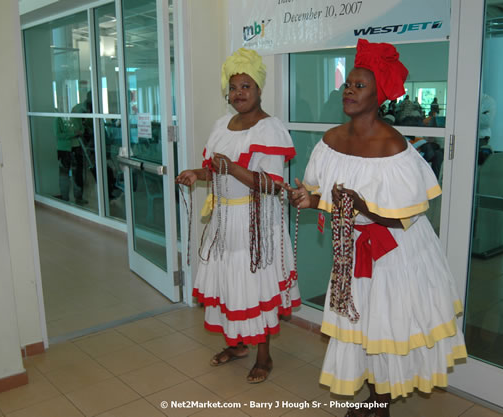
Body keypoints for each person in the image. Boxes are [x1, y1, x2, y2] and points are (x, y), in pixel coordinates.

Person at [285, 39, 466, 417]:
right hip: (353, 248)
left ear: (378, 95)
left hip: (395, 252)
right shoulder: (331, 141)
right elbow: (330, 201)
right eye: (347, 84)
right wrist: (308, 199)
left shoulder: (393, 146)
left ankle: (381, 403)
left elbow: (403, 216)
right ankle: (373, 395)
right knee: (361, 323)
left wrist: (363, 207)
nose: (348, 91)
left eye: (359, 86)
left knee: (385, 324)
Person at [175, 48, 301, 383]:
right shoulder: (221, 125)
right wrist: (195, 173)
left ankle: (264, 356)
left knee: (255, 287)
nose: (239, 93)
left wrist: (232, 168)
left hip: (256, 224)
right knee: (230, 286)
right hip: (223, 221)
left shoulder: (270, 129)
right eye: (233, 88)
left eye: (246, 86)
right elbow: (215, 172)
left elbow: (273, 186)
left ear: (259, 89)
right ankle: (237, 344)